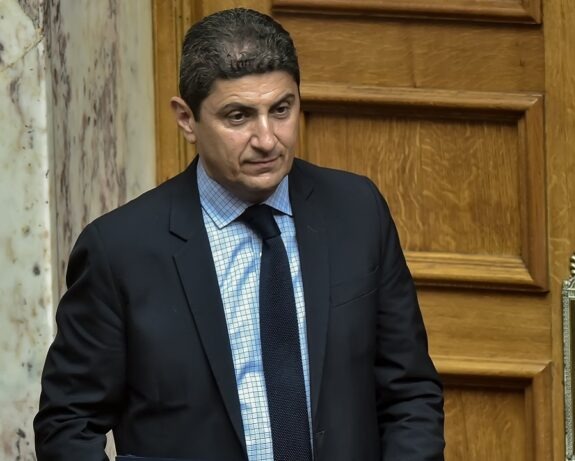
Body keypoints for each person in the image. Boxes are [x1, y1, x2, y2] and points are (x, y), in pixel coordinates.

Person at [34, 8, 444, 461]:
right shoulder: (119, 251)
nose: (267, 139)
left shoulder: (357, 210)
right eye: (238, 116)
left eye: (281, 110)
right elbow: (67, 424)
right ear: (186, 119)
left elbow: (410, 392)